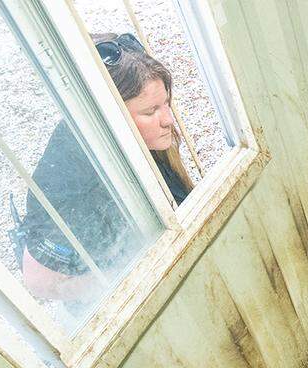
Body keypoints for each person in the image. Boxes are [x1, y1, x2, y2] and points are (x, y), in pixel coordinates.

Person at [12, 32, 194, 303]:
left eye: (166, 103)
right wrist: (134, 280)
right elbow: (37, 282)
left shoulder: (140, 140)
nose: (168, 119)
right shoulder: (73, 183)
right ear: (108, 119)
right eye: (149, 111)